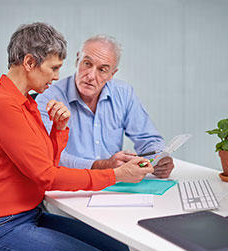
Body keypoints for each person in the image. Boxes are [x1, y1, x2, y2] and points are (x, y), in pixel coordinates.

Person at [0, 22, 153, 251]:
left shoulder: (27, 104)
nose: (56, 76)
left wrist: (59, 130)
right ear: (30, 63)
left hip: (28, 215)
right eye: (53, 68)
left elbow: (46, 164)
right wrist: (115, 175)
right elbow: (46, 177)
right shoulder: (2, 105)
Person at [36, 35, 174, 179]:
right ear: (78, 60)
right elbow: (47, 157)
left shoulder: (123, 93)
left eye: (102, 70)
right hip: (69, 185)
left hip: (113, 185)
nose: (90, 76)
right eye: (87, 64)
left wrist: (158, 158)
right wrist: (101, 166)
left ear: (112, 74)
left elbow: (148, 138)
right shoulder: (48, 98)